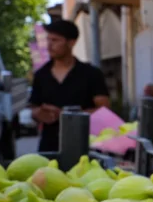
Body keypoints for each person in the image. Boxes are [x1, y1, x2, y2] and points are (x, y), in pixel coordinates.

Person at [28, 19, 110, 153]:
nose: (49, 45)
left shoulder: (91, 73)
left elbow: (104, 109)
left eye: (55, 40)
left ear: (71, 43)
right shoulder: (41, 75)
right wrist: (39, 113)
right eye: (48, 40)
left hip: (86, 145)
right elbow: (33, 107)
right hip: (49, 146)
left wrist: (67, 115)